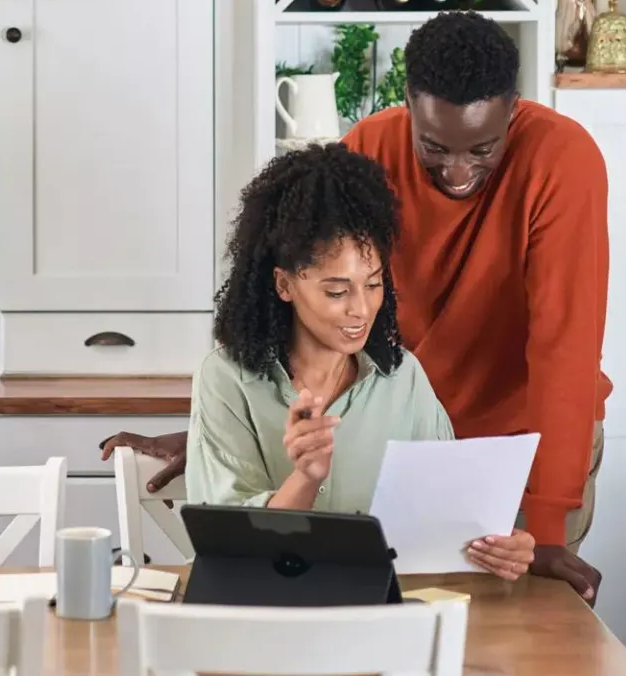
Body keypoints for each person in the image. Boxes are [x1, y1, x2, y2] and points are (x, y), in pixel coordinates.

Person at [104, 12, 610, 601]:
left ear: (513, 110)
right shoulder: (368, 150)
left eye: (484, 149)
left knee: (521, 629)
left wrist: (545, 527)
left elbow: (564, 348)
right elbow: (311, 295)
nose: (458, 171)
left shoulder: (563, 159)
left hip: (526, 442)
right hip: (400, 430)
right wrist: (229, 428)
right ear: (409, 107)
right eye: (435, 147)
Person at [182, 142, 536, 580]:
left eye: (373, 284)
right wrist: (306, 478)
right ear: (284, 285)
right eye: (336, 291)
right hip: (268, 620)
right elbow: (232, 550)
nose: (361, 309)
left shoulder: (403, 378)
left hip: (384, 619)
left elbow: (447, 521)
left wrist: (500, 546)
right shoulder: (226, 381)